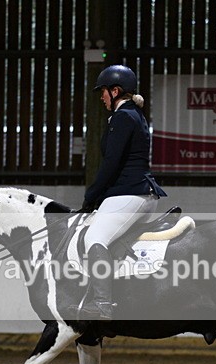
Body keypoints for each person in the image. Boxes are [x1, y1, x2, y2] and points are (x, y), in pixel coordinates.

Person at [75, 64, 167, 321]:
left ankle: (102, 303)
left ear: (115, 91)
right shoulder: (133, 115)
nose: (101, 97)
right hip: (138, 193)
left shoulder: (124, 117)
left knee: (95, 238)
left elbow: (111, 164)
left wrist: (91, 195)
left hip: (131, 193)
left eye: (103, 92)